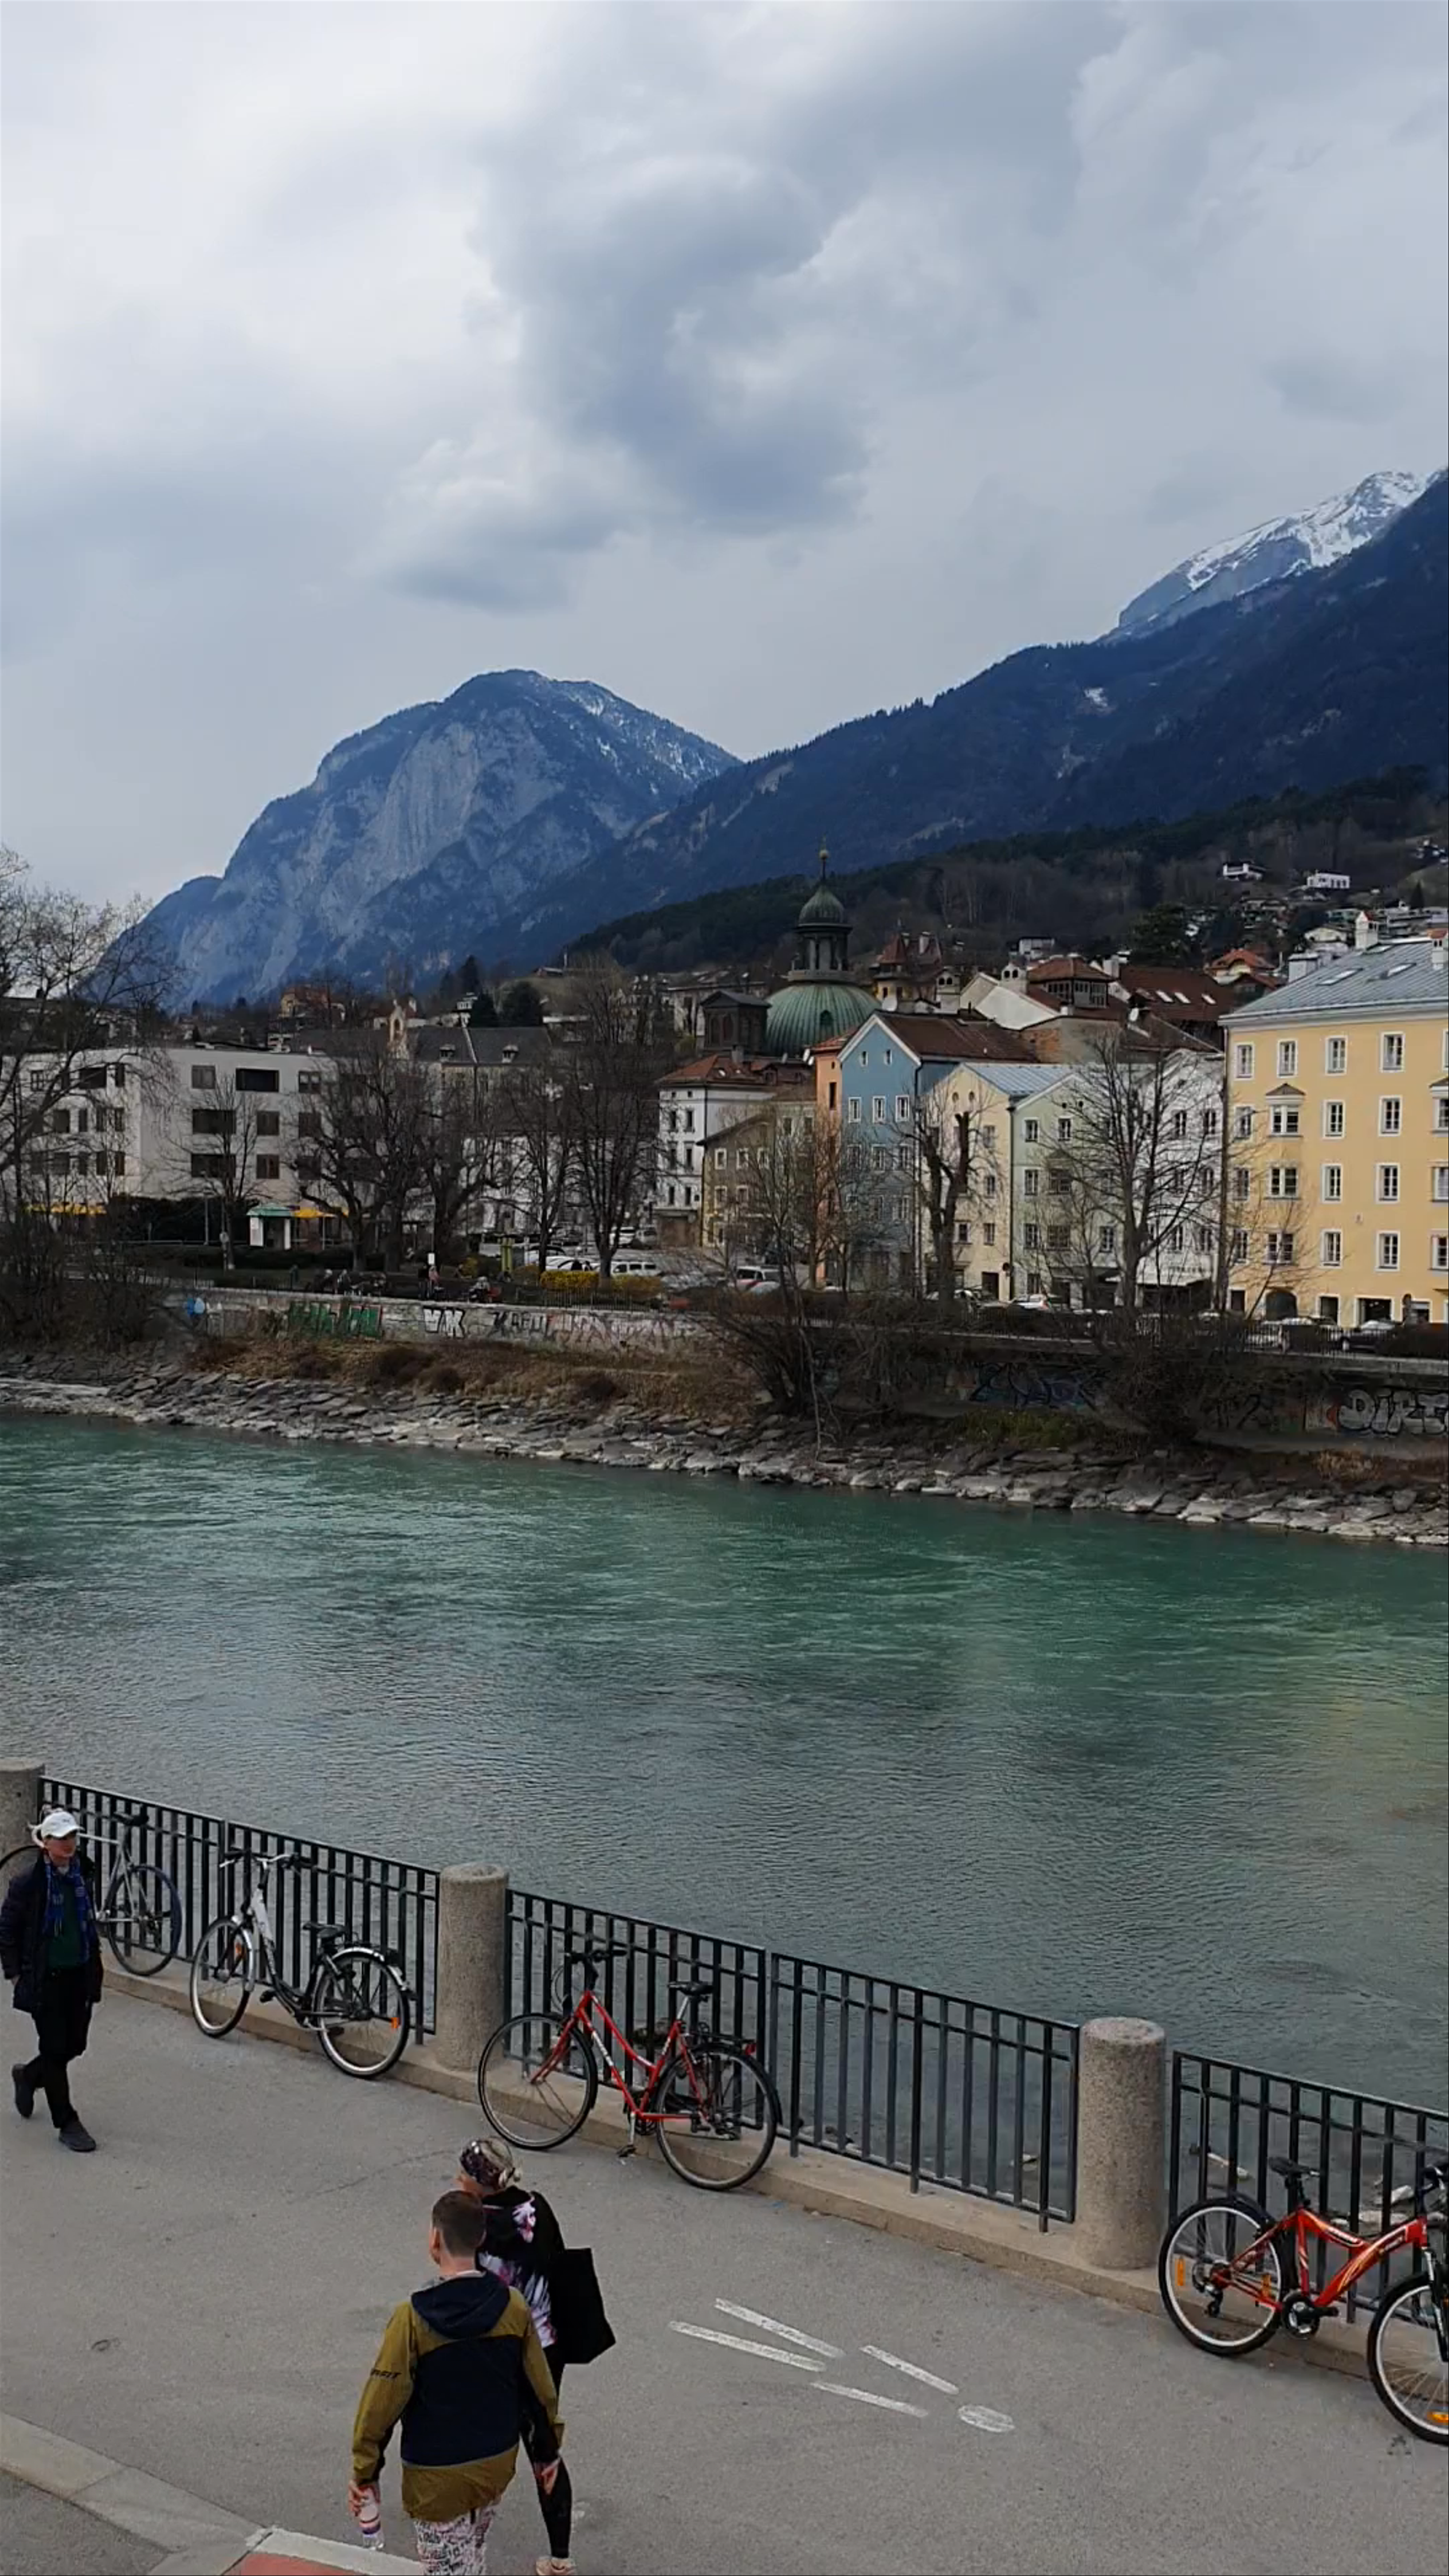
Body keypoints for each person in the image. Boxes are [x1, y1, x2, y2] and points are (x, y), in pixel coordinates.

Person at [351, 2190, 564, 2576]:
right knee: (471, 2552)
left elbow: (380, 2403)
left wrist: (365, 2471)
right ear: (481, 2239)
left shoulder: (412, 2318)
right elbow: (540, 2390)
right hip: (495, 2464)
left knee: (451, 2568)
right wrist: (547, 2452)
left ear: (435, 2239)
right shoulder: (513, 2306)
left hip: (436, 2477)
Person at [456, 2139, 578, 2576]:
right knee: (545, 2450)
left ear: (481, 2183)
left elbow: (464, 2285)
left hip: (496, 2351)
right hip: (545, 2348)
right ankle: (560, 2558)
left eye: (464, 2175)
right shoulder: (538, 2209)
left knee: (476, 2442)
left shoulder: (472, 2223)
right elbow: (560, 2266)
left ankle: (462, 2542)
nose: (458, 2181)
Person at [1, 1808, 105, 2152]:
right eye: (62, 1838)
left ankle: (29, 2076)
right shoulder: (29, 1883)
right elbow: (8, 1930)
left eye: (73, 1836)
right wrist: (16, 1975)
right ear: (46, 1843)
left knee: (76, 2045)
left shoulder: (82, 1874)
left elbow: (87, 1923)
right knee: (55, 2049)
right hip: (46, 1978)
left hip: (80, 1971)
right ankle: (67, 2121)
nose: (70, 1844)